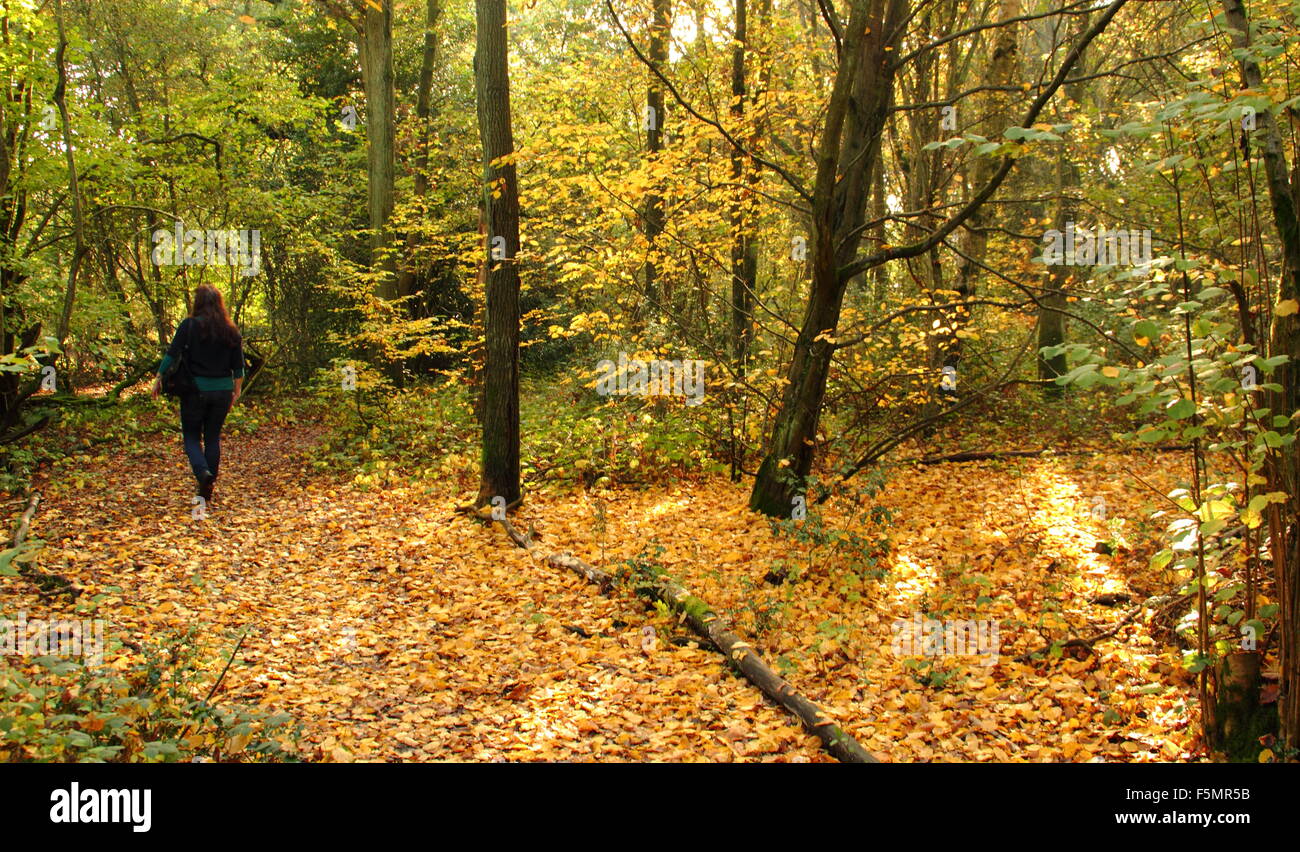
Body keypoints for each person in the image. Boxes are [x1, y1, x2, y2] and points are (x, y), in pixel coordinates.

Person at [152, 285, 244, 504]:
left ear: (198, 303)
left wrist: (158, 377)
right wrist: (236, 391)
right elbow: (238, 367)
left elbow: (171, 354)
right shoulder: (231, 330)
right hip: (222, 391)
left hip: (195, 390)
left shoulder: (189, 326)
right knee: (212, 437)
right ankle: (207, 484)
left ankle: (203, 474)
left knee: (192, 437)